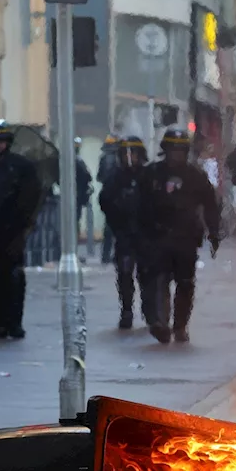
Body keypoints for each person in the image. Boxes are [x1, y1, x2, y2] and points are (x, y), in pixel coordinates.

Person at [140, 129, 221, 344]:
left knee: (185, 283)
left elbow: (211, 205)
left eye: (180, 150)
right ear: (165, 150)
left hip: (185, 239)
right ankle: (161, 323)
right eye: (172, 150)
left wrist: (214, 233)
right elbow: (139, 205)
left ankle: (180, 326)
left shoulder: (195, 176)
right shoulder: (152, 174)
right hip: (158, 238)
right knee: (159, 281)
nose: (176, 154)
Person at [0, 119, 44, 340]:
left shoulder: (22, 167)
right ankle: (0, 323)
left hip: (15, 230)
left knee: (15, 276)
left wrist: (24, 224)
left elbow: (33, 196)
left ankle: (16, 323)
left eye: (1, 141)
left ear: (8, 142)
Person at [100, 136, 151, 330]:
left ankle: (149, 310)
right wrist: (117, 221)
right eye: (126, 154)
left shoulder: (148, 176)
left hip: (145, 234)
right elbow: (105, 200)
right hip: (124, 234)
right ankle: (127, 310)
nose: (130, 158)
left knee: (147, 274)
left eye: (134, 154)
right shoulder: (115, 177)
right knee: (124, 273)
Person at [97, 135, 120, 264]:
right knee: (119, 229)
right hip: (118, 196)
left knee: (108, 228)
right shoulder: (120, 159)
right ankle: (115, 255)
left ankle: (105, 256)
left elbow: (99, 177)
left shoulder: (103, 159)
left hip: (107, 195)